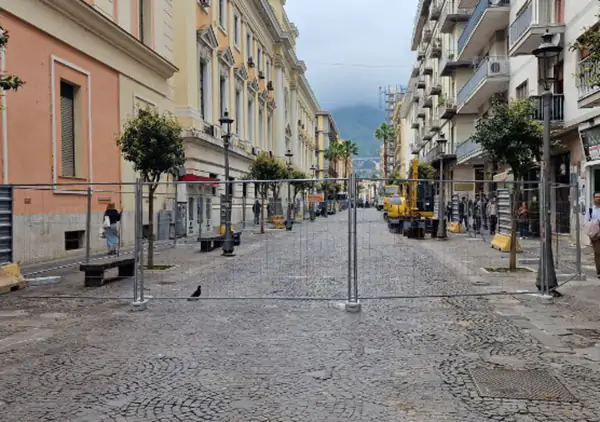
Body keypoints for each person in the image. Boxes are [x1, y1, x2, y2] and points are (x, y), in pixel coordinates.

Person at [587, 192, 600, 278]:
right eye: (596, 197)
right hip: (596, 235)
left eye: (599, 197)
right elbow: (586, 223)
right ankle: (599, 271)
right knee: (598, 253)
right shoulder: (590, 210)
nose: (598, 198)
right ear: (593, 198)